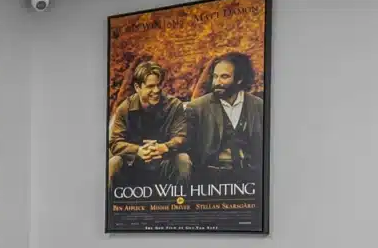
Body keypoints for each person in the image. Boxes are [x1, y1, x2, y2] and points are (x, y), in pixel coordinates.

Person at [179, 51, 264, 184]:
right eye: (215, 76)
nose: (217, 82)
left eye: (224, 77)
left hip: (252, 179)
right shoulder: (198, 107)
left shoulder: (259, 106)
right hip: (211, 179)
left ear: (239, 79)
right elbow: (186, 146)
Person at [108, 56, 187, 185]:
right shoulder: (124, 108)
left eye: (158, 85)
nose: (156, 90)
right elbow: (115, 143)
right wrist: (137, 150)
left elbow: (182, 137)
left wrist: (164, 147)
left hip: (164, 163)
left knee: (183, 160)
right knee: (113, 163)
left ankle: (181, 203)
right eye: (150, 86)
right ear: (137, 87)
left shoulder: (175, 105)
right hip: (133, 165)